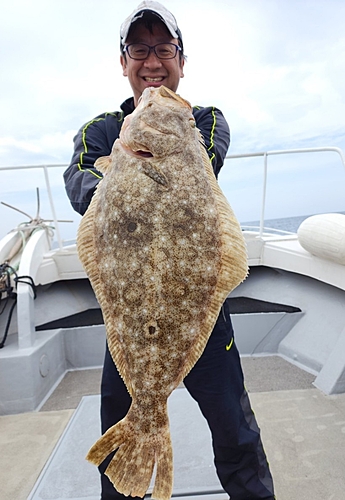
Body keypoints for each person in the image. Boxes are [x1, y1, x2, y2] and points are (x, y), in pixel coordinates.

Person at [64, 2, 276, 499]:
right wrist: (117, 166)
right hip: (131, 316)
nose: (153, 62)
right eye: (140, 49)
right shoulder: (99, 130)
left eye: (165, 49)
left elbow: (202, 157)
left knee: (238, 436)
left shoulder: (202, 120)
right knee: (121, 446)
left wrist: (126, 162)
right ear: (123, 61)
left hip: (198, 309)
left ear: (182, 60)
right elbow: (80, 183)